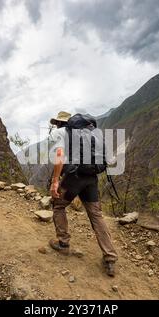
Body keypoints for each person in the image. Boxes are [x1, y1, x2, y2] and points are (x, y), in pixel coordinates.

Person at [48, 112, 118, 277]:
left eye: (57, 122)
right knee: (96, 215)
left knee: (58, 205)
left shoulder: (61, 132)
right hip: (91, 177)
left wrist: (55, 181)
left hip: (75, 177)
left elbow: (59, 156)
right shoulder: (89, 133)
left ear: (59, 123)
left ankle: (63, 243)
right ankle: (110, 258)